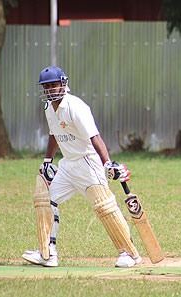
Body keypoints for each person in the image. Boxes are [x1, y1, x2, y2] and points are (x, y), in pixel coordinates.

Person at [22, 66, 142, 268]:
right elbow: (54, 135)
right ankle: (48, 253)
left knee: (105, 207)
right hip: (68, 164)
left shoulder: (76, 107)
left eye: (53, 85)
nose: (50, 90)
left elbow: (95, 138)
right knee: (46, 201)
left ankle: (129, 253)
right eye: (46, 87)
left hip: (88, 162)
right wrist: (47, 161)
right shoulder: (48, 109)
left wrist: (107, 164)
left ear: (64, 84)